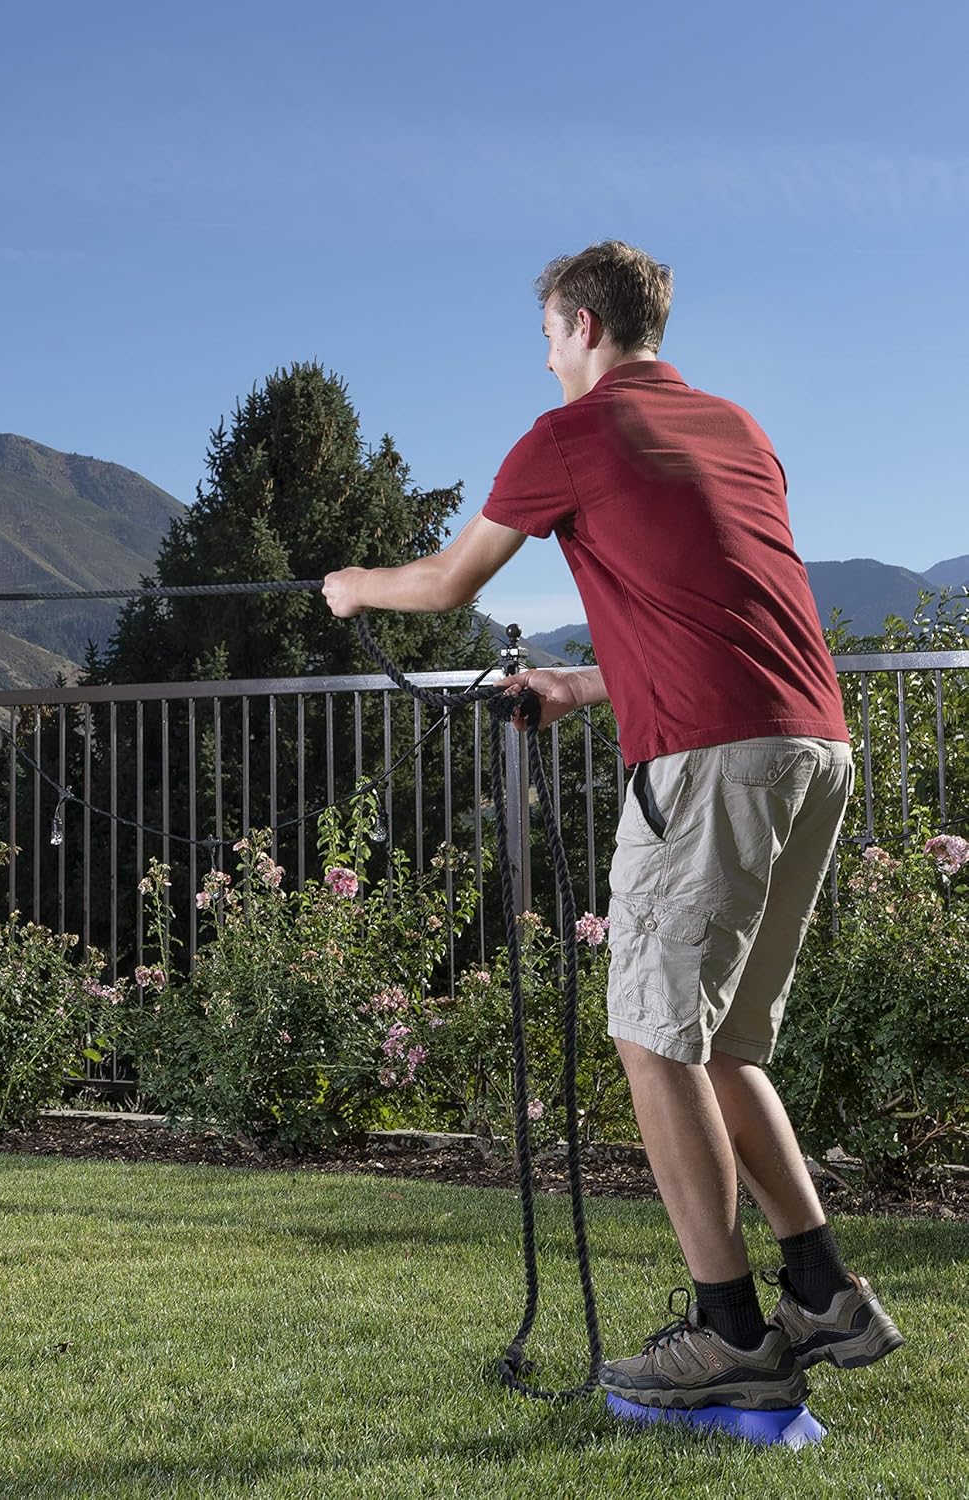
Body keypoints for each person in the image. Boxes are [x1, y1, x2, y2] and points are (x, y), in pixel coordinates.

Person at [323, 242, 901, 1412]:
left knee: (653, 1040)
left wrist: (354, 585)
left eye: (547, 335)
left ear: (583, 325)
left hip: (712, 761)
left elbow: (447, 582)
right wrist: (580, 687)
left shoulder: (571, 435)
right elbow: (714, 611)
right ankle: (824, 1295)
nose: (544, 358)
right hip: (810, 746)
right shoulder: (735, 427)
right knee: (722, 1045)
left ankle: (729, 1335)